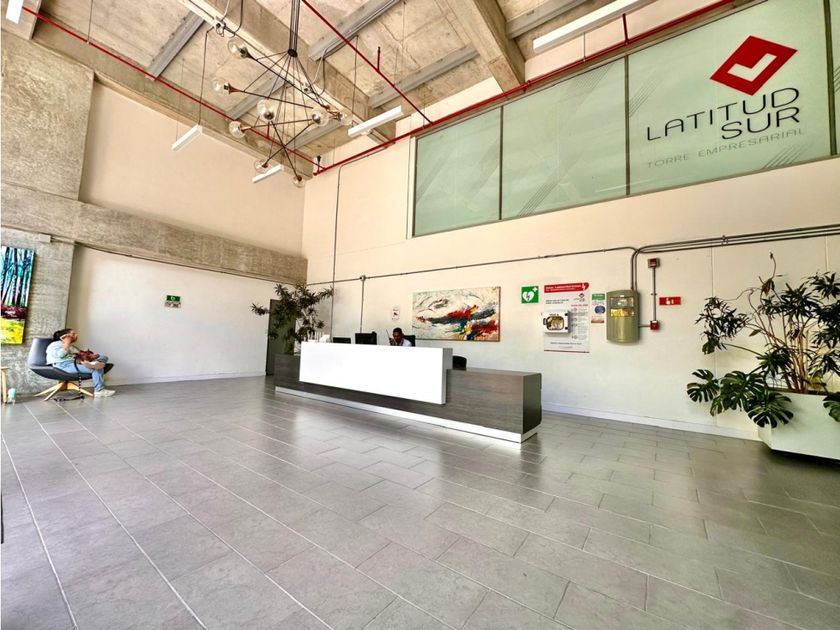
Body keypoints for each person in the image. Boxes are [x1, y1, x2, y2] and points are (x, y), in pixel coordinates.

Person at [46, 328, 115, 397]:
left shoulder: (71, 346)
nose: (76, 335)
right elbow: (60, 355)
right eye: (73, 334)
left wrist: (91, 357)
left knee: (103, 357)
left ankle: (93, 363)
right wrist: (67, 342)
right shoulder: (54, 344)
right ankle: (99, 391)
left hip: (75, 363)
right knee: (96, 368)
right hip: (63, 366)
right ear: (65, 336)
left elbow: (80, 355)